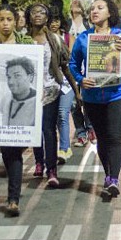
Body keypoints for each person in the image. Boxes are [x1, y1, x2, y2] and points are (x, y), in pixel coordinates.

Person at [69, 0, 121, 200]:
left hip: (118, 93)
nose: (94, 11)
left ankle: (114, 179)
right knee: (101, 138)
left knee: (113, 137)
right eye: (92, 8)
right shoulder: (84, 38)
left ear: (110, 12)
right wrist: (80, 79)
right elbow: (73, 64)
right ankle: (108, 174)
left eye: (99, 7)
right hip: (92, 96)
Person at [0, 3, 35, 216]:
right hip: (8, 112)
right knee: (8, 153)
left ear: (16, 21)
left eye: (9, 19)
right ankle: (13, 194)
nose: (5, 24)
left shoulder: (27, 42)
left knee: (14, 152)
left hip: (28, 110)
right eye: (1, 20)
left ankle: (13, 198)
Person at [27, 3, 81, 186]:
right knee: (34, 130)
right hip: (29, 93)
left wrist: (76, 90)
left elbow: (65, 67)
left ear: (48, 17)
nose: (38, 15)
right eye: (34, 12)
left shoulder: (56, 40)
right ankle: (38, 162)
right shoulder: (23, 40)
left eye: (42, 12)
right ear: (29, 16)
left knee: (48, 129)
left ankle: (51, 169)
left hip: (51, 90)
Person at [48, 12, 74, 164]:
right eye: (51, 20)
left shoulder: (67, 38)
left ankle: (64, 148)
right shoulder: (42, 39)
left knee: (63, 113)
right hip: (50, 83)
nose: (54, 24)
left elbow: (70, 59)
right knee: (51, 119)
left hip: (66, 81)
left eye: (56, 20)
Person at [0, 57, 37, 127]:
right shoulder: (6, 98)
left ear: (30, 77)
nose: (11, 82)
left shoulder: (38, 102)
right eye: (9, 77)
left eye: (17, 76)